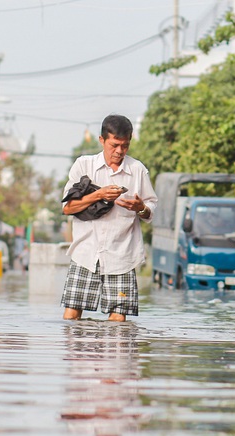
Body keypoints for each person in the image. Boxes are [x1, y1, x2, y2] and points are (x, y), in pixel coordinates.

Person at [60, 114, 158, 322]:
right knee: (71, 315)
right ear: (102, 140)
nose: (119, 151)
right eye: (114, 145)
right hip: (85, 253)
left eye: (125, 146)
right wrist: (99, 194)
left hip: (122, 256)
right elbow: (67, 208)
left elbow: (150, 212)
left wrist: (140, 208)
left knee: (119, 320)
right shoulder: (83, 165)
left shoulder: (137, 170)